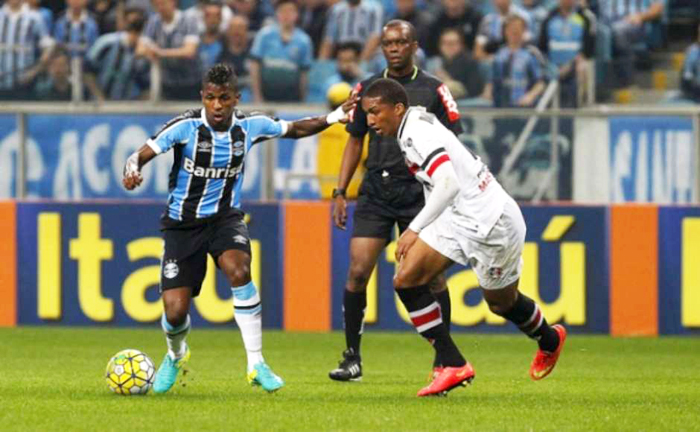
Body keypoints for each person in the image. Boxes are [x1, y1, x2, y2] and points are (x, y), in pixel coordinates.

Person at [122, 63, 356, 395]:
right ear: (203, 97)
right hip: (182, 224)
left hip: (225, 218)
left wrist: (334, 118)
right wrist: (132, 170)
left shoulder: (250, 126)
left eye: (225, 98)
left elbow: (295, 128)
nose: (217, 106)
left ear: (236, 98)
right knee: (175, 312)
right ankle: (175, 356)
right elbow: (139, 155)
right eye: (211, 98)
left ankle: (256, 363)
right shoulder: (184, 127)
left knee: (239, 269)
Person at [360, 77, 567, 396]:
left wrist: (414, 229)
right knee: (406, 279)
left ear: (398, 108)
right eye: (366, 113)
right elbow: (439, 187)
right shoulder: (410, 124)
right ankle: (451, 362)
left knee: (501, 303)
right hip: (459, 217)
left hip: (490, 223)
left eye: (375, 111)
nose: (370, 120)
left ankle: (549, 339)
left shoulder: (416, 131)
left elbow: (448, 184)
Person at [328, 19, 463, 382]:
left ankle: (444, 361)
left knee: (432, 279)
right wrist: (341, 191)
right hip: (376, 190)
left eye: (401, 41)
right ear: (382, 47)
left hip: (420, 194)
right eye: (388, 42)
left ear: (414, 45)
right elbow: (354, 139)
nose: (394, 47)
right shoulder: (368, 88)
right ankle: (351, 358)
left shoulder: (435, 89)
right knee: (357, 272)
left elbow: (455, 143)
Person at [249, 0, 313, 102]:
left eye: (290, 11)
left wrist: (303, 100)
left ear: (297, 14)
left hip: (292, 97)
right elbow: (254, 66)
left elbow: (304, 73)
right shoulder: (264, 35)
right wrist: (257, 96)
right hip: (266, 95)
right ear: (277, 13)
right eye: (283, 11)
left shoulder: (304, 40)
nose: (286, 15)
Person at [538, 0, 596, 107]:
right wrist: (550, 64)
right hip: (552, 63)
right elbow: (542, 46)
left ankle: (576, 106)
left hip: (575, 62)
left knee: (581, 68)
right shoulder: (549, 18)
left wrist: (574, 62)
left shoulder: (584, 18)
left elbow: (589, 49)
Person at [84, 7, 149, 101]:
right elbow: (86, 71)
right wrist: (99, 97)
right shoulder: (105, 43)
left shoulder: (145, 49)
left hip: (124, 107)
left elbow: (145, 86)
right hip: (97, 106)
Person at [483, 14, 546, 108]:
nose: (514, 31)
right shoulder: (499, 54)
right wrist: (487, 92)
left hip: (523, 106)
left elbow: (540, 83)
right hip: (501, 105)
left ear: (524, 31)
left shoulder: (531, 54)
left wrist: (530, 96)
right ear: (505, 31)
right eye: (511, 28)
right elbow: (492, 80)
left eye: (518, 28)